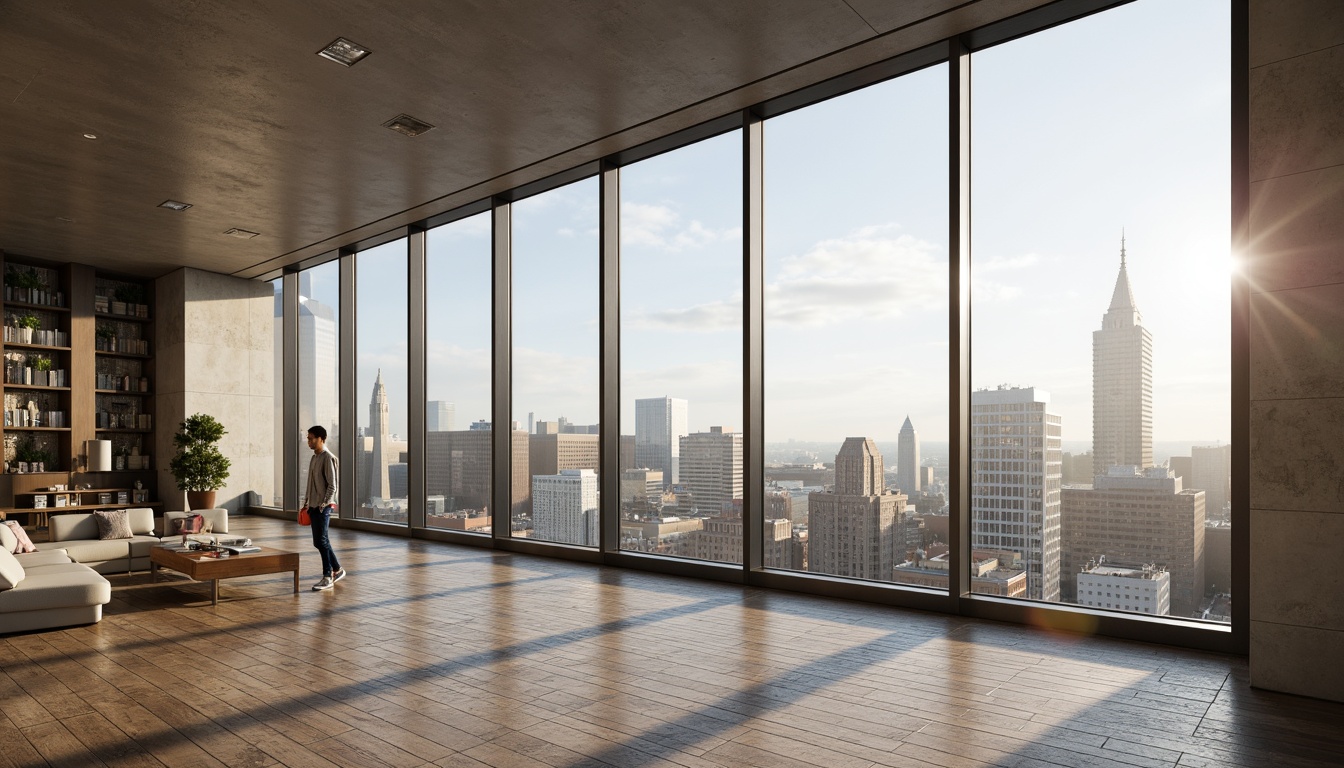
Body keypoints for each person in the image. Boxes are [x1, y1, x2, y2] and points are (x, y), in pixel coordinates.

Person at [302, 425, 346, 591]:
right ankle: (337, 569)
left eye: (311, 438)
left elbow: (333, 486)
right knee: (320, 541)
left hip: (323, 507)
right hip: (313, 505)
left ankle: (328, 576)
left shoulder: (328, 457)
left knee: (321, 540)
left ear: (321, 439)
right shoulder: (314, 458)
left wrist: (323, 504)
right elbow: (310, 483)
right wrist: (306, 501)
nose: (309, 441)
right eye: (308, 438)